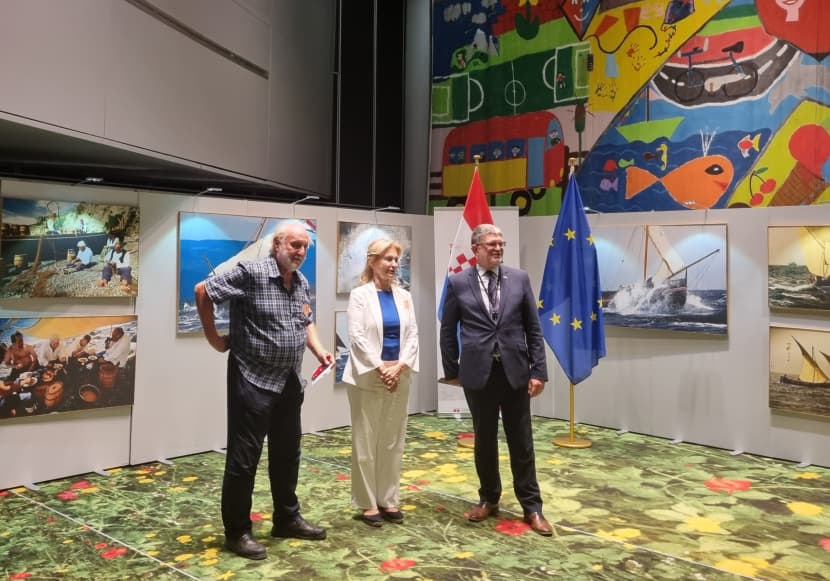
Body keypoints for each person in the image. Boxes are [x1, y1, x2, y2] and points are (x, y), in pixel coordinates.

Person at [194, 220, 333, 560]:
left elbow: (305, 320)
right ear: (277, 246)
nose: (300, 251)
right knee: (244, 459)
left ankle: (287, 519)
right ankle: (237, 532)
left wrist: (319, 350)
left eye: (304, 246)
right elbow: (202, 291)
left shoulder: (300, 281)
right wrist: (214, 339)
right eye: (294, 245)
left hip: (288, 380)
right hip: (251, 378)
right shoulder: (251, 272)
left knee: (287, 453)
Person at [439, 224, 552, 536]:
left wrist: (538, 371)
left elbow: (533, 328)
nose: (498, 248)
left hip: (516, 372)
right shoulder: (457, 282)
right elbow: (448, 331)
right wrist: (452, 372)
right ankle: (489, 498)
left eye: (501, 244)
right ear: (476, 249)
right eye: (491, 244)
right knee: (485, 440)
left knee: (522, 441)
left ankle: (532, 507)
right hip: (479, 375)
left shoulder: (520, 278)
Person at [342, 239, 419, 527]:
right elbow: (357, 336)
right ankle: (367, 502)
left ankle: (388, 499)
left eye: (396, 259)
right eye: (388, 259)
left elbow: (413, 336)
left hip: (400, 375)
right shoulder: (359, 295)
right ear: (373, 261)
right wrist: (380, 367)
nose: (393, 265)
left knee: (392, 440)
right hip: (368, 376)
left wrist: (399, 367)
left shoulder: (404, 296)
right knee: (366, 441)